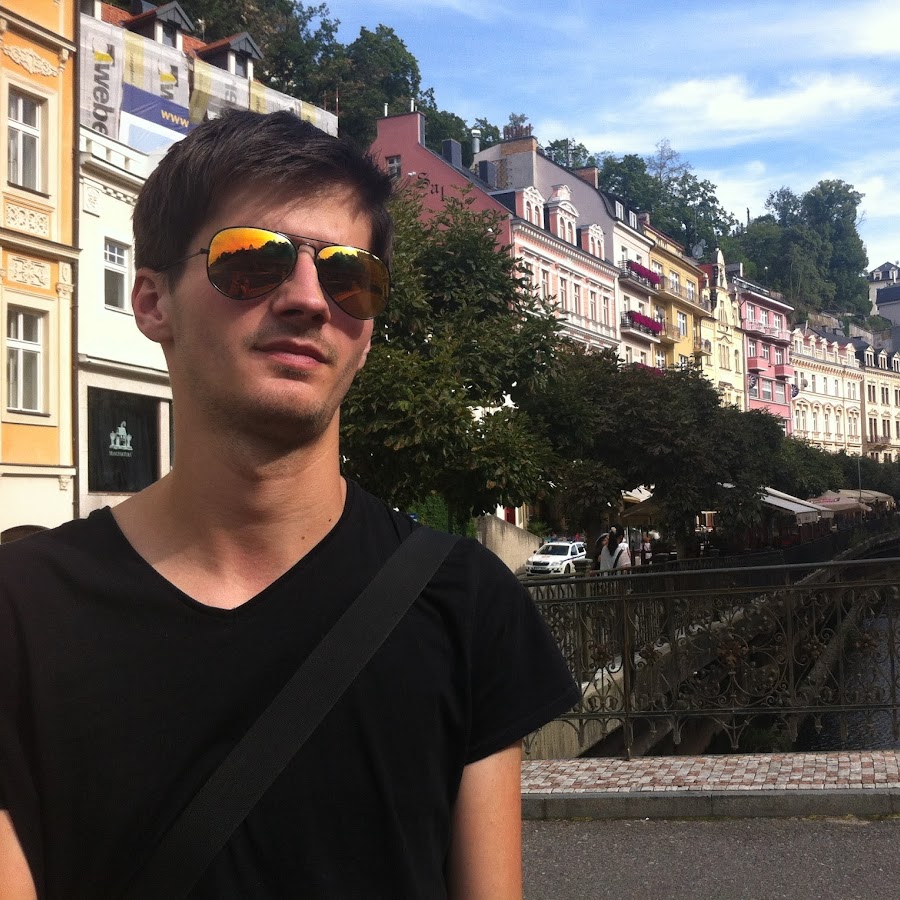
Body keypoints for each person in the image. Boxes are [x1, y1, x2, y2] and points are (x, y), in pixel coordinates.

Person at [0, 111, 578, 899]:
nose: (310, 299)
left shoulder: (466, 604)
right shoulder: (20, 615)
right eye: (252, 260)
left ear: (366, 333)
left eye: (350, 278)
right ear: (152, 302)